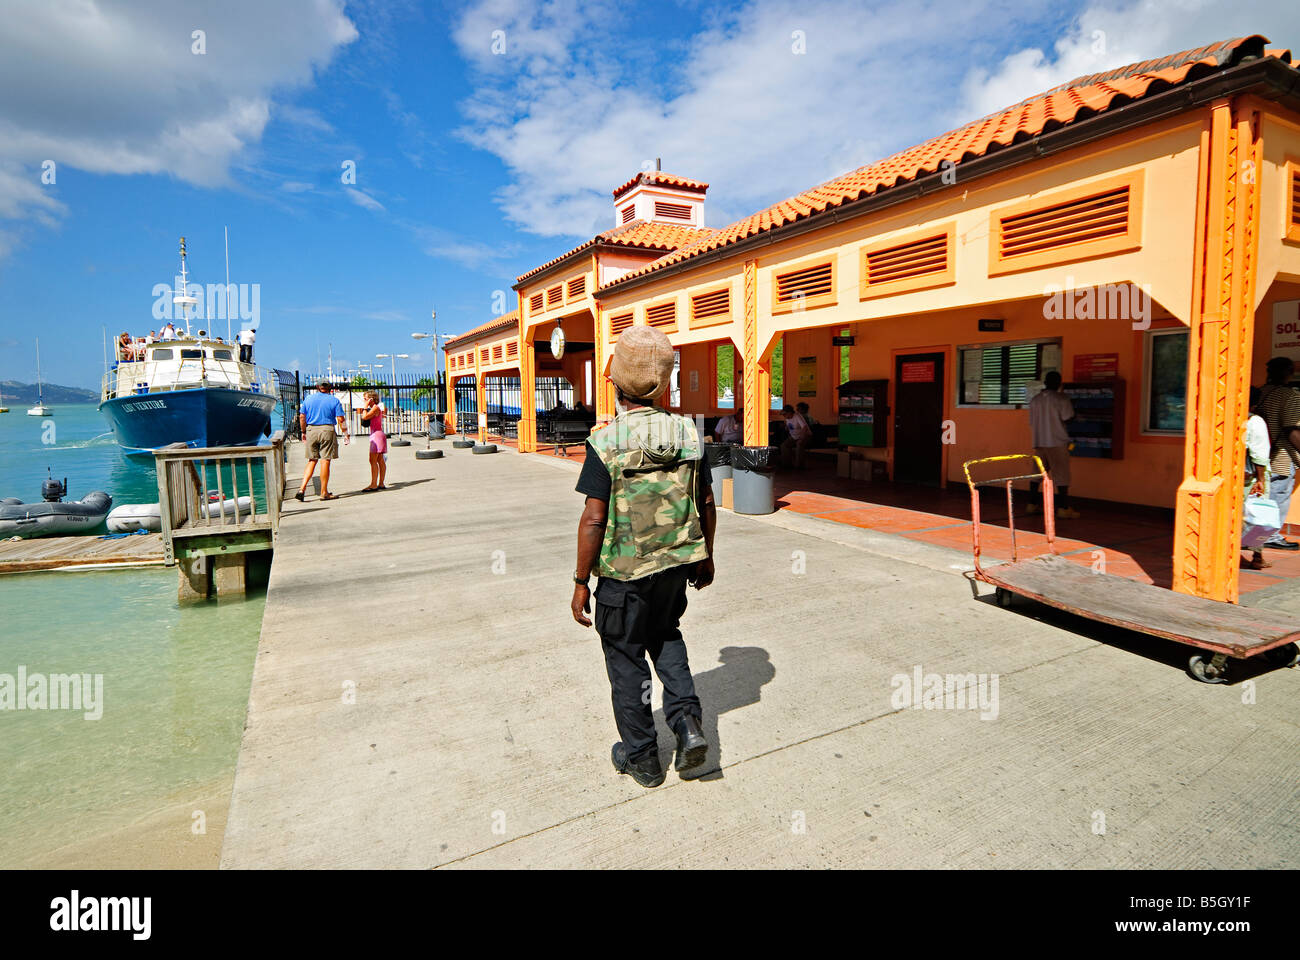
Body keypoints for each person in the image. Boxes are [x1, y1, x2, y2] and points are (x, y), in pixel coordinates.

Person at [571, 324, 716, 789]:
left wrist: (580, 581)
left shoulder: (606, 442)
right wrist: (706, 556)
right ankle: (688, 726)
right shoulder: (689, 433)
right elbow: (706, 502)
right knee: (667, 639)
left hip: (623, 577)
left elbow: (594, 519)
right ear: (665, 379)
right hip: (676, 567)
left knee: (626, 659)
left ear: (615, 380)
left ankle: (642, 759)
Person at [1257, 356, 1300, 550]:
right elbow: (1291, 429)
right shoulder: (1290, 395)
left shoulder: (1262, 392)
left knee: (1265, 497)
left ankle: (1258, 536)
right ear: (1290, 372)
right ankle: (1269, 536)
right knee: (1278, 497)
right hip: (1281, 456)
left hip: (1262, 454)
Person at [1027, 371, 1077, 519]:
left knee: (1036, 475)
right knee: (1061, 475)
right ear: (1059, 383)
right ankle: (1063, 508)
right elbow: (1067, 417)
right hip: (1057, 441)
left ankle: (1031, 504)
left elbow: (1031, 422)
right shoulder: (1062, 399)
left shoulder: (1035, 400)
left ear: (1045, 382)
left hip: (1039, 442)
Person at [295, 381, 350, 502]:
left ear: (317, 387)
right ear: (329, 388)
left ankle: (301, 489)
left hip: (311, 430)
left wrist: (303, 432)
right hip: (327, 430)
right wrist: (346, 433)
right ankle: (324, 492)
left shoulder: (308, 399)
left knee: (312, 460)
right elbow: (341, 419)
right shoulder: (334, 400)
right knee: (325, 461)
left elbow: (302, 417)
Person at [1243, 387, 1272, 570]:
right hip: (1253, 476)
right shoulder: (1255, 421)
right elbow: (1259, 454)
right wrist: (1261, 479)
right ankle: (1257, 556)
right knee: (1260, 515)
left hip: (1236, 474)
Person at [358, 390, 388, 492]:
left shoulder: (375, 408)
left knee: (373, 460)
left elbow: (364, 416)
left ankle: (374, 484)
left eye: (366, 398)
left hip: (377, 436)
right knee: (380, 460)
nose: (364, 400)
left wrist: (365, 407)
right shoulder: (376, 408)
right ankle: (381, 483)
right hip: (377, 435)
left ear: (371, 399)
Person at [780, 404, 810, 468]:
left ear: (790, 413)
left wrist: (801, 438)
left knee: (799, 444)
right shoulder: (787, 418)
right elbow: (789, 426)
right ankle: (787, 464)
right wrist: (786, 427)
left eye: (785, 414)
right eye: (783, 414)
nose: (784, 416)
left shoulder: (797, 416)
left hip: (805, 435)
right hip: (794, 436)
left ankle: (798, 465)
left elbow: (804, 427)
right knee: (784, 446)